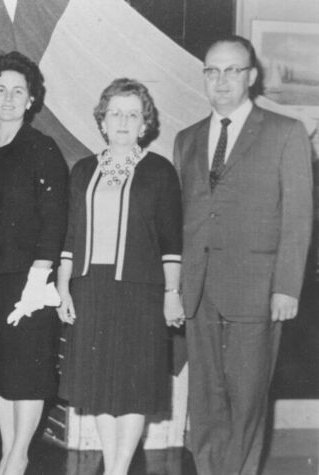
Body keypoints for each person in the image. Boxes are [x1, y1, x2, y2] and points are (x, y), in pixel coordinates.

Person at [173, 36, 312, 475]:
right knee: (206, 400)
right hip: (198, 292)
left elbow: (298, 217)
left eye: (233, 70)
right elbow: (183, 221)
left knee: (247, 401)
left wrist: (286, 287)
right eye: (212, 71)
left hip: (256, 289)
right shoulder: (187, 139)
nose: (222, 80)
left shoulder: (284, 133)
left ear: (251, 76)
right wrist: (176, 288)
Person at [57, 78, 183, 475]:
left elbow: (171, 240)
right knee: (100, 386)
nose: (124, 121)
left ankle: (118, 470)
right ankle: (113, 466)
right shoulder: (83, 170)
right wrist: (63, 286)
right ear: (102, 121)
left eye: (133, 114)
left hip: (141, 292)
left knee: (132, 388)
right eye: (116, 113)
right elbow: (70, 236)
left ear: (145, 123)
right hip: (91, 288)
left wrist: (172, 292)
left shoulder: (160, 171)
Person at [0, 51, 68, 475]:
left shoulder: (42, 148)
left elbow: (55, 215)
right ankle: (10, 453)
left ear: (31, 100)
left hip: (30, 281)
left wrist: (39, 274)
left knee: (26, 371)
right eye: (0, 90)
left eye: (18, 91)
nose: (8, 98)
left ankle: (18, 455)